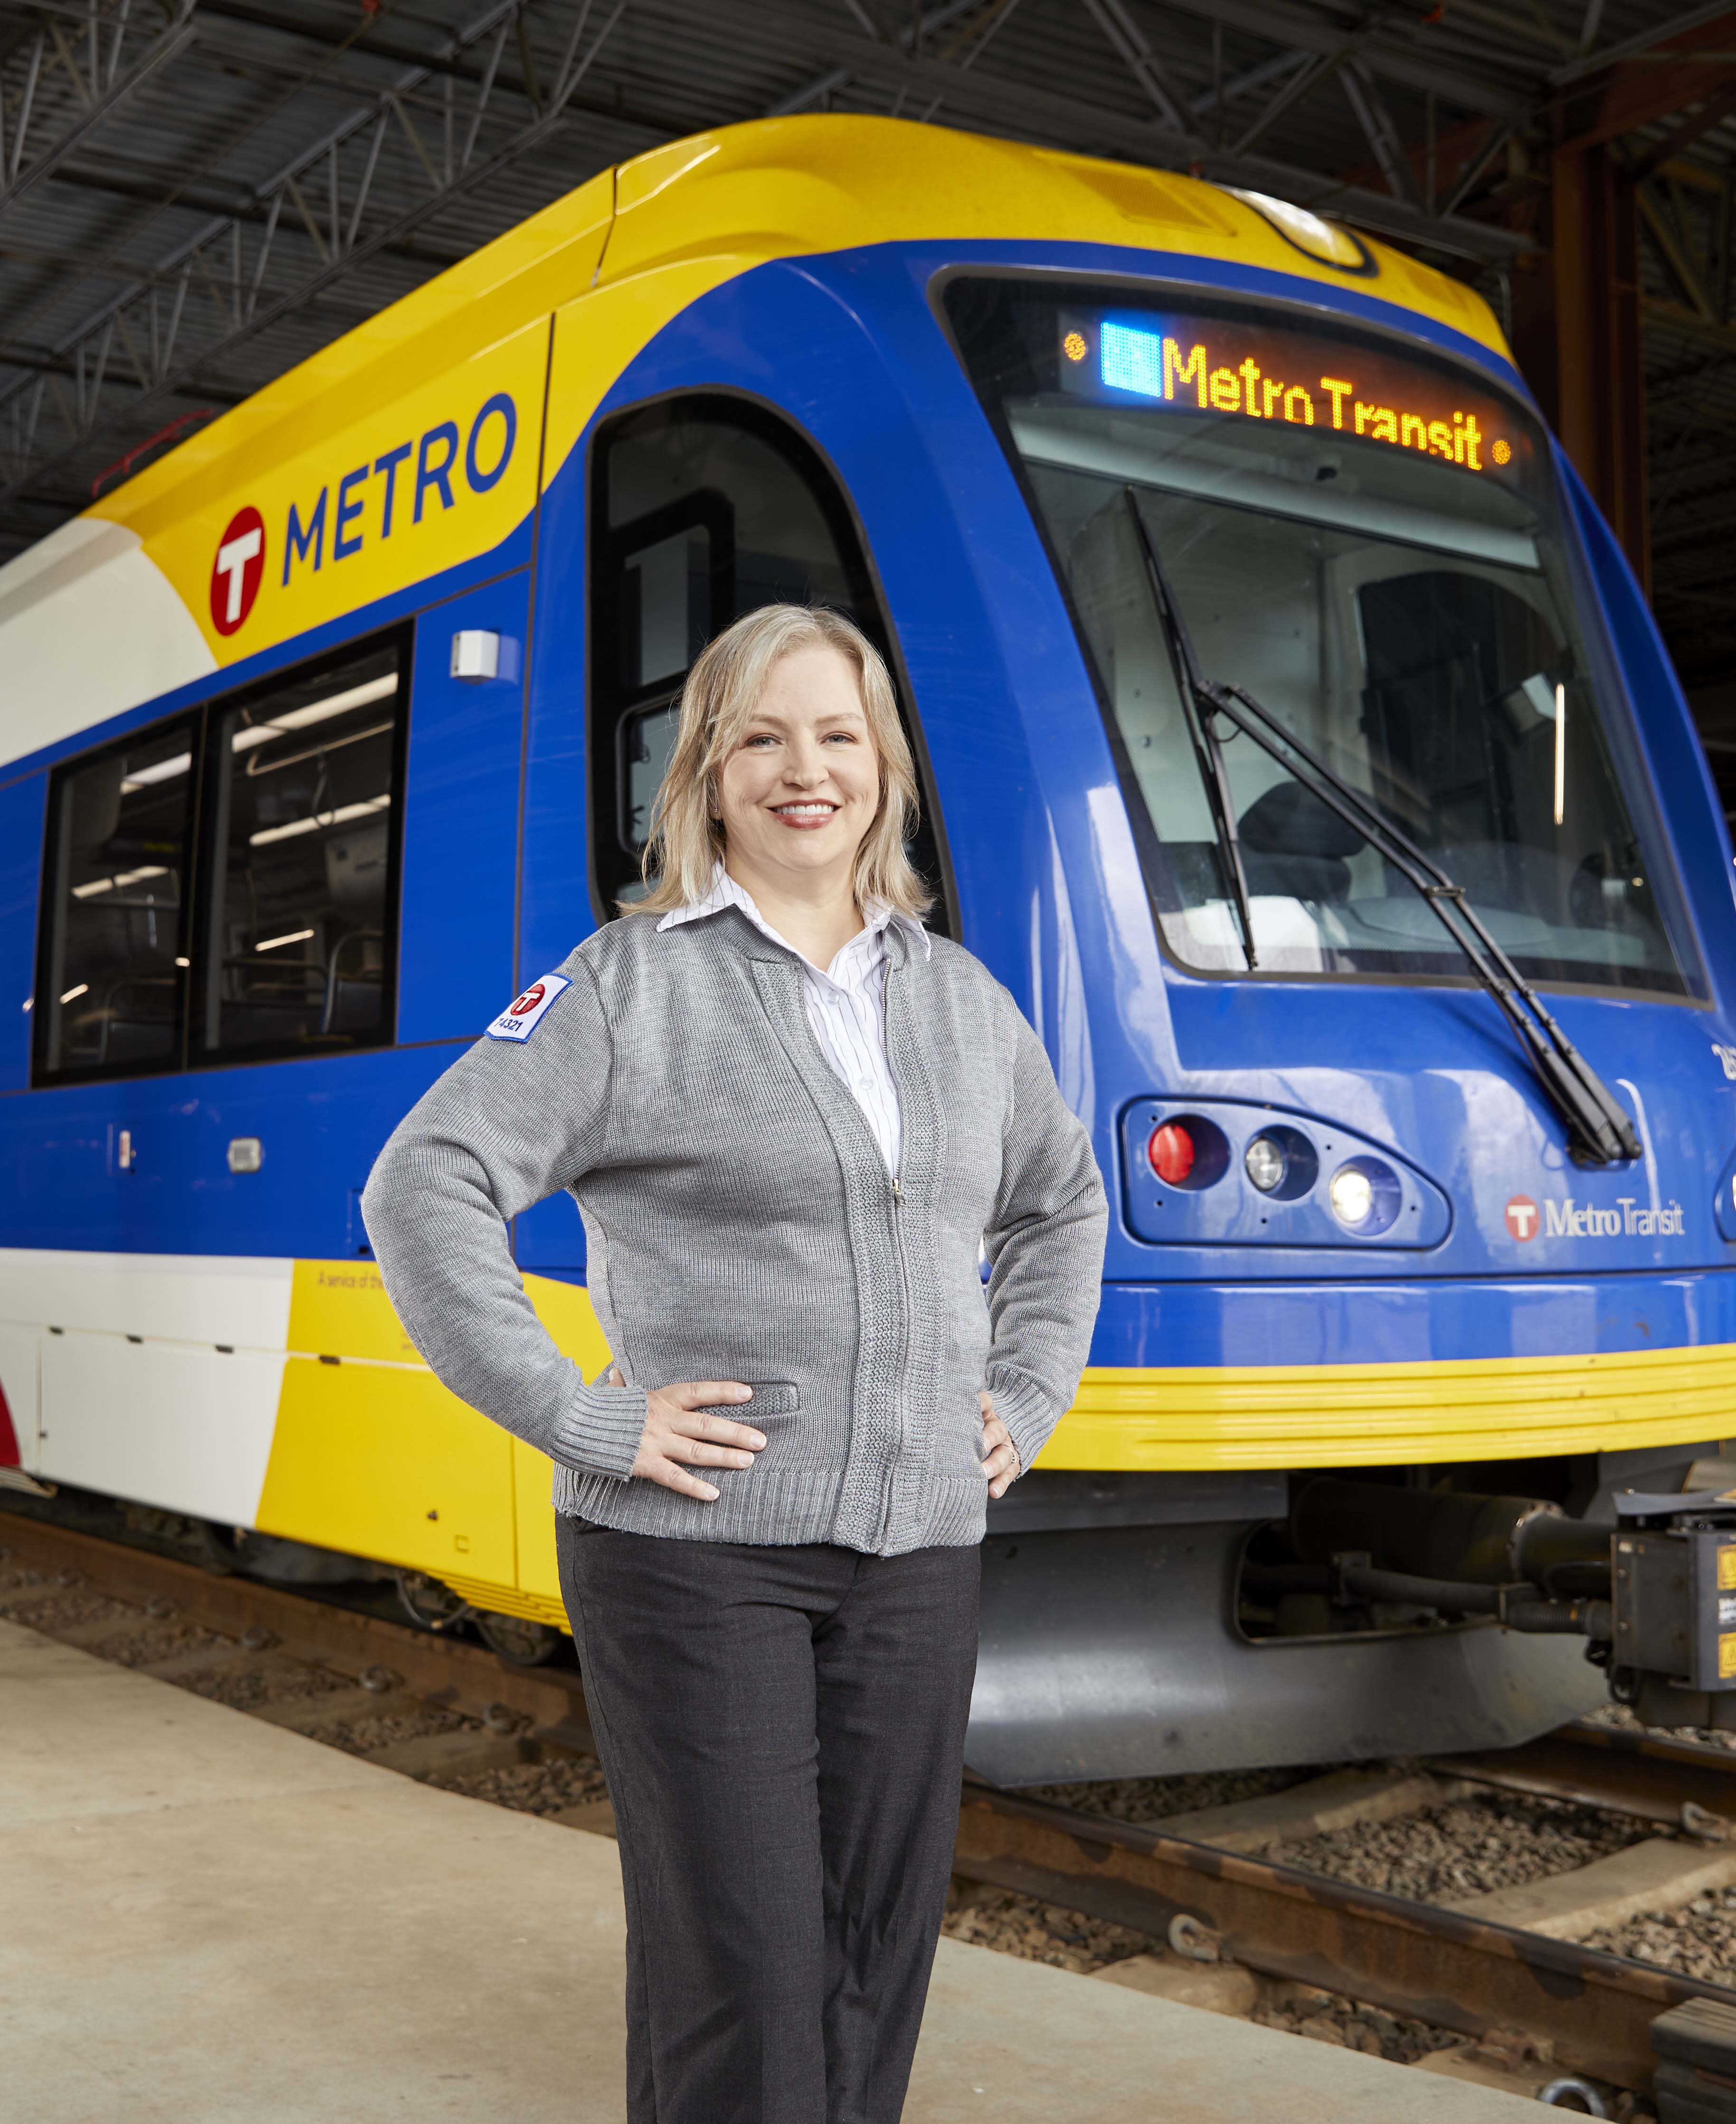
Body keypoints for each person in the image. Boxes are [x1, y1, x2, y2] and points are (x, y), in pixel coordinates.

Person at [362, 602, 1107, 2123]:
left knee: (870, 1968)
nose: (803, 770)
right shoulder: (632, 986)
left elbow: (1062, 1202)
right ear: (706, 775)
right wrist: (577, 1412)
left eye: (838, 736)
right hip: (701, 1562)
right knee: (750, 1983)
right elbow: (421, 1182)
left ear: (885, 772)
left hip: (918, 1558)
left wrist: (1026, 1397)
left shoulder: (963, 1001)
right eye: (760, 737)